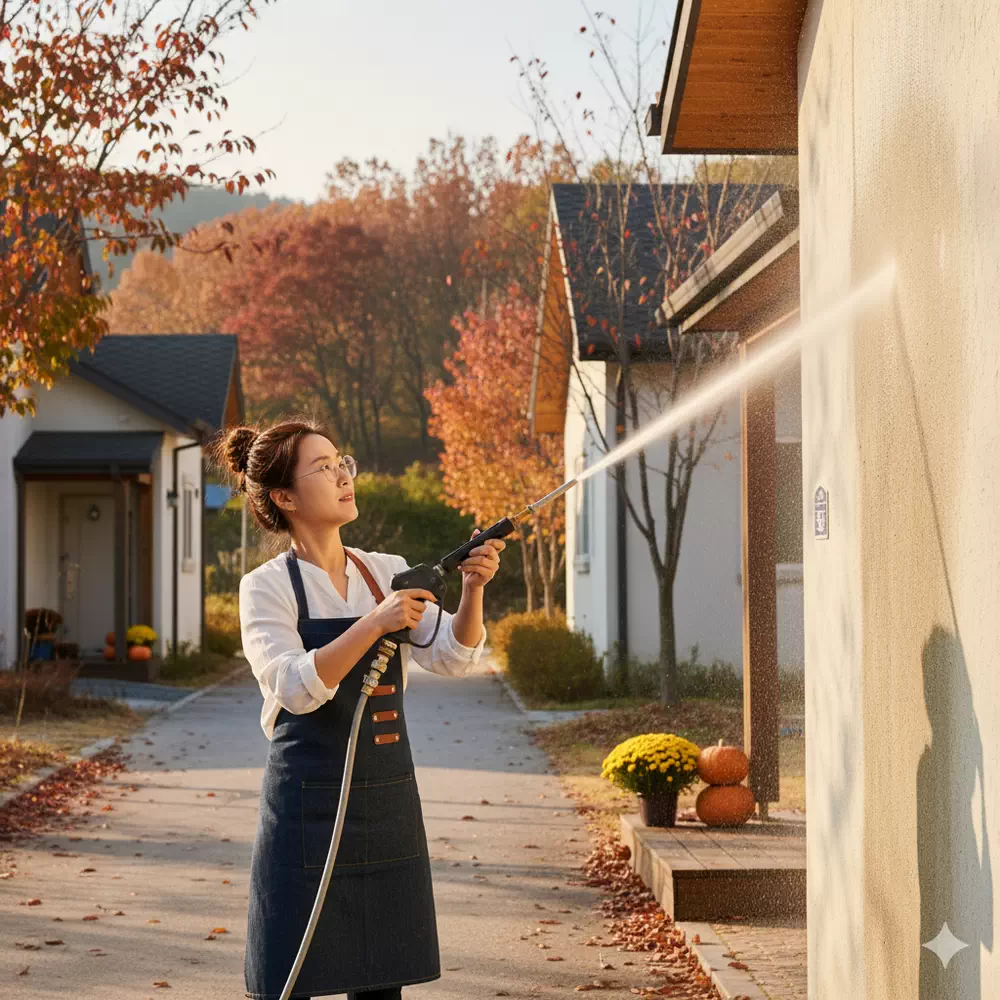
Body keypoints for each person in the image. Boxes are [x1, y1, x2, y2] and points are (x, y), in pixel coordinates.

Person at [221, 419, 504, 1000]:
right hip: (306, 801)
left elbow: (452, 655)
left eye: (341, 462)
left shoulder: (382, 569)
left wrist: (473, 589)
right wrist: (373, 622)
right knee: (286, 974)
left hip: (385, 793)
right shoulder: (266, 588)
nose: (342, 476)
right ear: (284, 497)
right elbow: (296, 689)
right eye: (322, 468)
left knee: (381, 975)